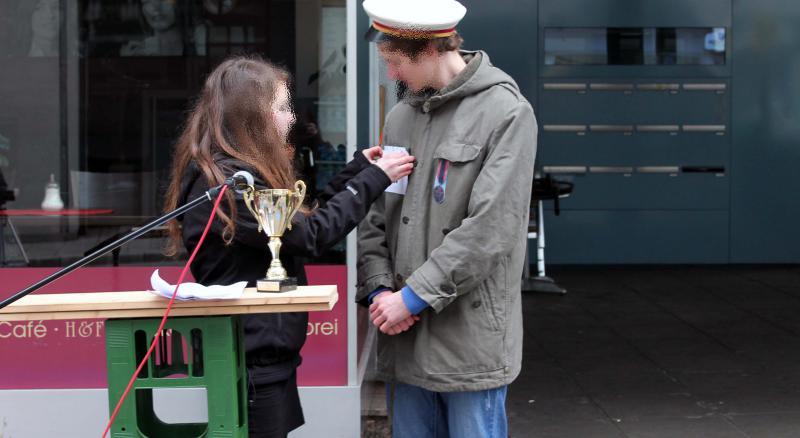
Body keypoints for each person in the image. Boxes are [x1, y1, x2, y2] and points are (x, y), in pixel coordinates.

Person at [162, 55, 415, 438]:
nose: (291, 118)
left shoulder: (233, 176)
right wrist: (374, 179)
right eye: (281, 107)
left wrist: (356, 171)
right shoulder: (228, 188)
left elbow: (299, 224)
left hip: (262, 357)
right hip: (248, 360)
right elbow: (313, 236)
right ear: (251, 116)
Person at [356, 0, 538, 436]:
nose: (392, 75)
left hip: (467, 339)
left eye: (396, 62)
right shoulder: (401, 117)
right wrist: (382, 291)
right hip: (405, 333)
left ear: (431, 50)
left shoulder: (508, 113)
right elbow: (378, 214)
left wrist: (411, 298)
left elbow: (491, 228)